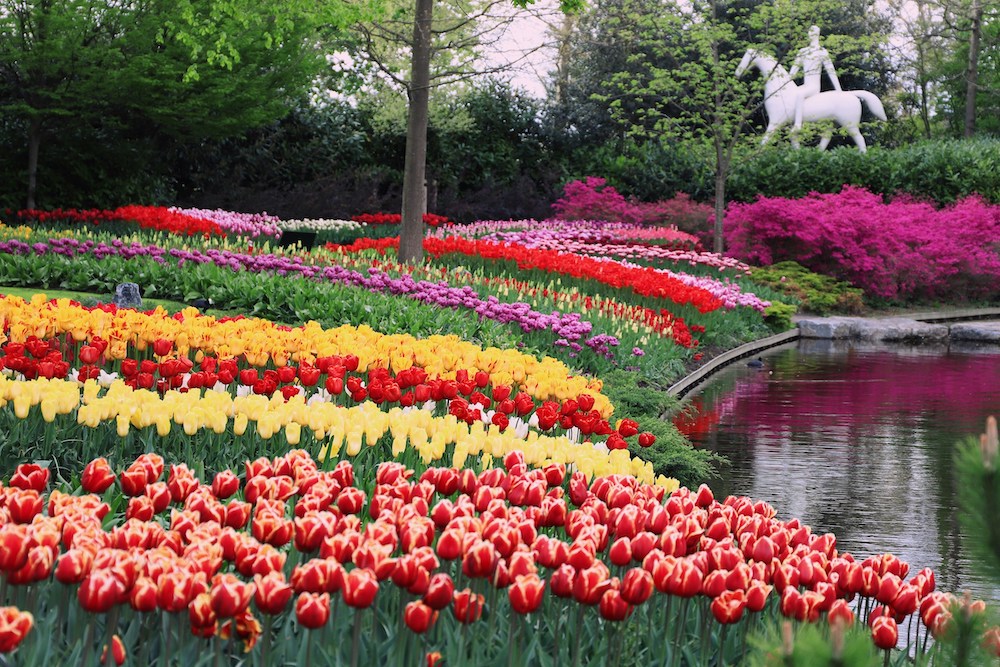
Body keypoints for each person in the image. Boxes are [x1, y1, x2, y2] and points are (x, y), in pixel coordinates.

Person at [788, 25, 842, 130]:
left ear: (817, 34)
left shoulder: (822, 52)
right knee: (791, 95)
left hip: (813, 87)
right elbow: (792, 73)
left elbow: (831, 72)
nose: (810, 34)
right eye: (810, 32)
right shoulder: (802, 52)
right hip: (805, 85)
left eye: (813, 32)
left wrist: (839, 90)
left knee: (799, 94)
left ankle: (798, 124)